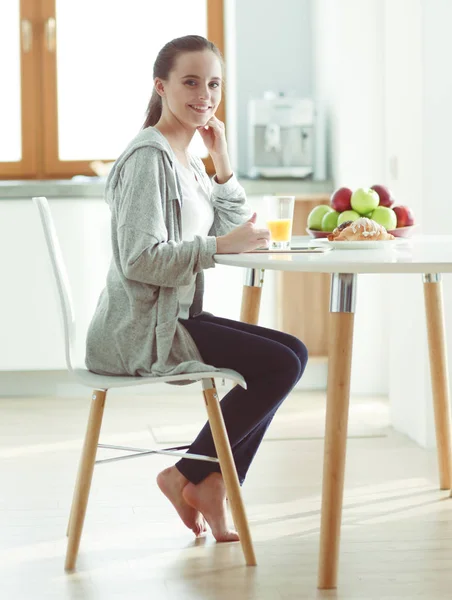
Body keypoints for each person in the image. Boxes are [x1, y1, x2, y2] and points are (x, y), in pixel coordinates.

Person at [86, 35, 308, 543]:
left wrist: (222, 158)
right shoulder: (150, 158)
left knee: (294, 351)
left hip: (177, 315)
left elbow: (234, 221)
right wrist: (215, 247)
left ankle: (202, 478)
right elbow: (139, 261)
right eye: (190, 82)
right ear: (160, 86)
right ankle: (197, 477)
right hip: (141, 329)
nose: (204, 94)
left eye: (213, 84)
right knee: (280, 363)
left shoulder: (186, 160)